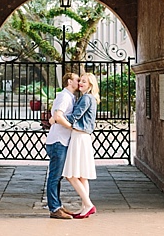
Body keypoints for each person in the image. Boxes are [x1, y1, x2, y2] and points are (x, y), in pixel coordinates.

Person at [51, 72, 101, 219]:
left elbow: (75, 117)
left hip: (79, 136)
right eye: (80, 81)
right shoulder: (87, 97)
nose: (81, 83)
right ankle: (85, 207)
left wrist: (57, 118)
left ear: (90, 85)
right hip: (82, 136)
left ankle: (89, 204)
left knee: (71, 175)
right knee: (82, 176)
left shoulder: (86, 98)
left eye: (84, 82)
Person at [46, 72, 79, 219]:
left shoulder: (68, 96)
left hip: (60, 140)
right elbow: (58, 116)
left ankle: (57, 205)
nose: (79, 82)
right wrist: (72, 127)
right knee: (54, 176)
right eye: (77, 80)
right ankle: (54, 208)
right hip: (58, 141)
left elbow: (54, 118)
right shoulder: (65, 96)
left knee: (57, 177)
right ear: (69, 81)